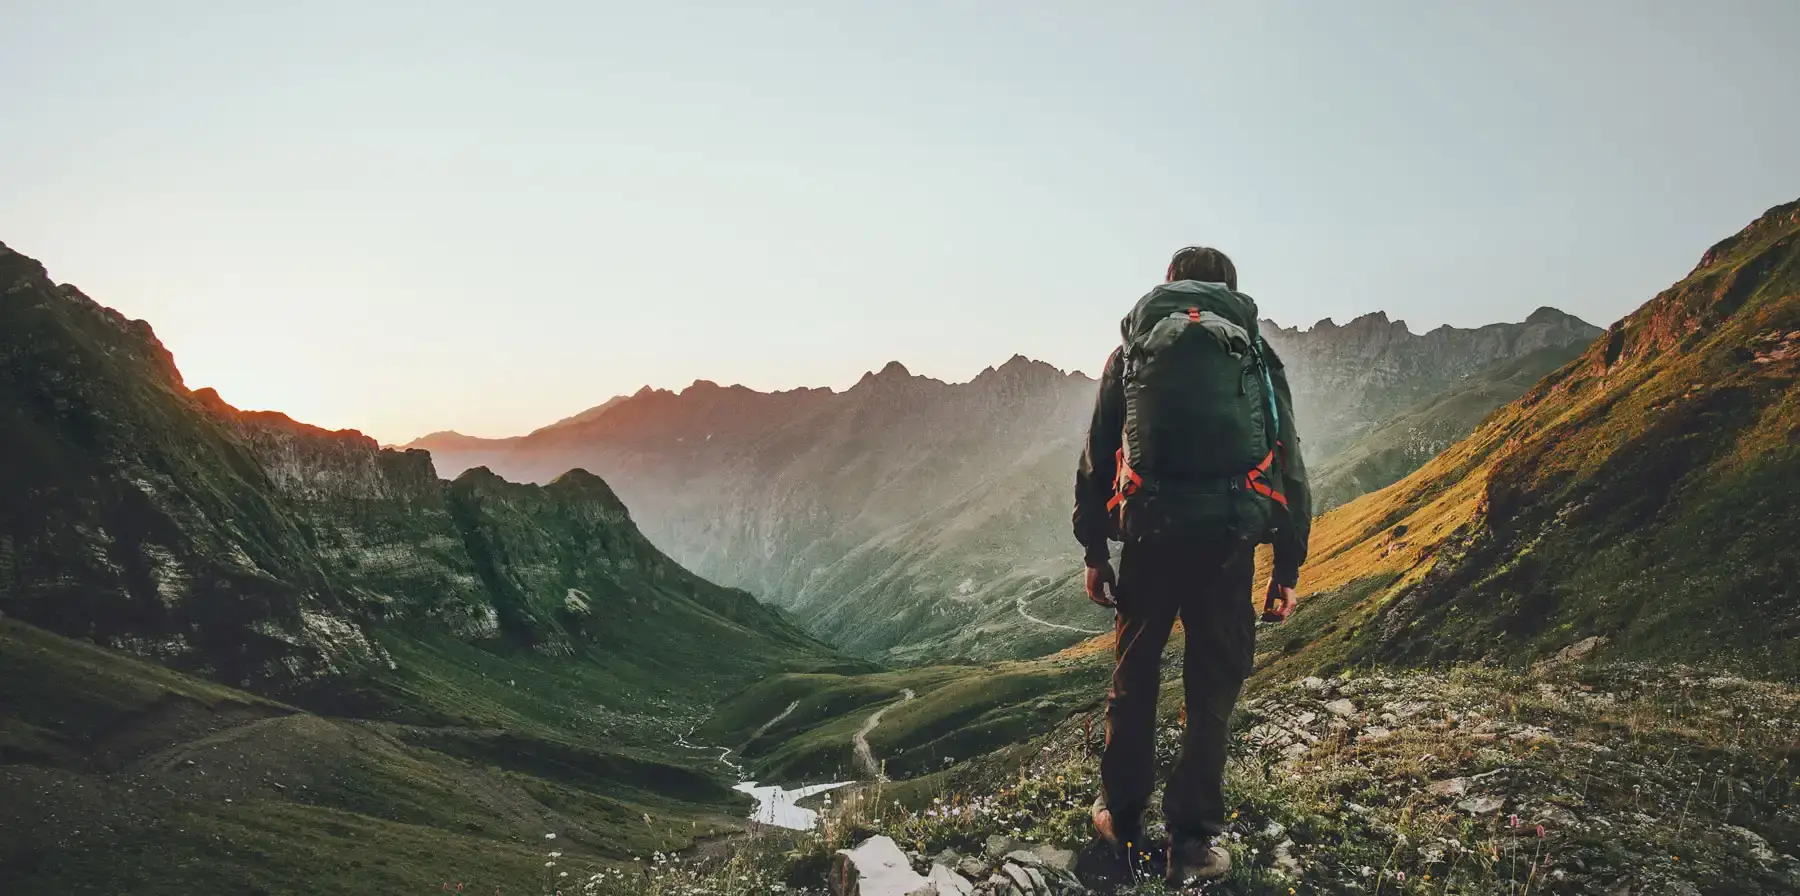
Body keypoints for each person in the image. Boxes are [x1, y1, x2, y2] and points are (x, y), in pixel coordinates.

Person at [1071, 246, 1312, 886]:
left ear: (1169, 285)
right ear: (1230, 290)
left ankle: (1121, 818)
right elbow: (1289, 461)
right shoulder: (1256, 355)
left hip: (1149, 538)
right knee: (1211, 689)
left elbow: (1097, 456)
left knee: (1134, 678)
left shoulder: (1131, 354)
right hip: (1228, 545)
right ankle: (1193, 842)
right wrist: (1287, 567)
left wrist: (1094, 551)